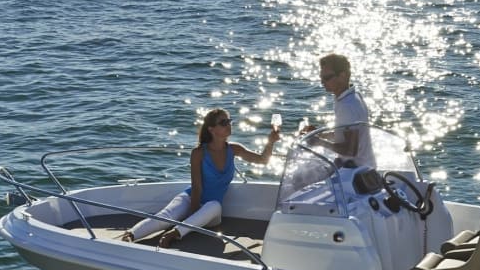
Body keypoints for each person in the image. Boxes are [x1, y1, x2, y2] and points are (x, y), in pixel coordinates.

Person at [121, 108, 280, 247]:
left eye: (229, 121)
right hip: (192, 199)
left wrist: (270, 142)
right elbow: (196, 187)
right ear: (211, 129)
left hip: (212, 211)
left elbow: (263, 160)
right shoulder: (198, 153)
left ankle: (174, 234)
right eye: (223, 122)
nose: (229, 125)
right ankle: (131, 234)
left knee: (214, 205)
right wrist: (193, 212)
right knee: (167, 215)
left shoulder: (234, 149)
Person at [305, 53, 376, 168]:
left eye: (327, 78)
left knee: (299, 179)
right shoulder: (353, 96)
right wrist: (321, 135)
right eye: (321, 78)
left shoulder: (347, 106)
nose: (322, 82)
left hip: (356, 171)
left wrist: (319, 142)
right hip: (360, 165)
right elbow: (344, 133)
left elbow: (350, 150)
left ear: (342, 76)